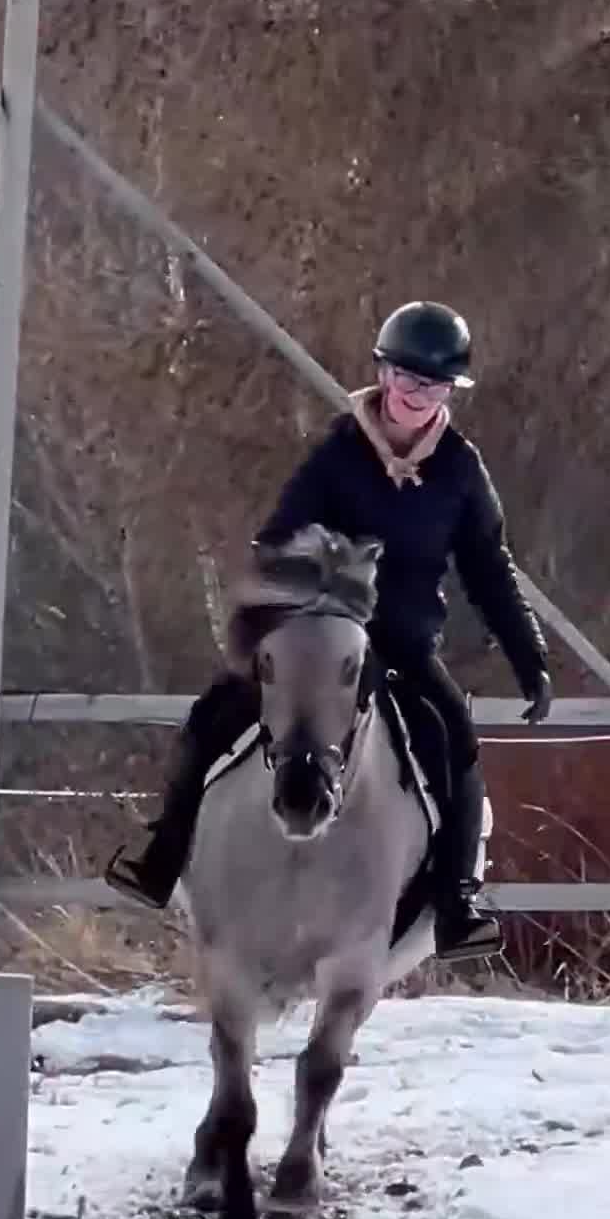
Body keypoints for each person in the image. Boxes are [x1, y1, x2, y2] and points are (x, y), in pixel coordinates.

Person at [108, 298, 553, 957]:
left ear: (449, 392)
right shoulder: (339, 454)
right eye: (405, 378)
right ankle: (162, 852)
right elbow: (278, 537)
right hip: (323, 632)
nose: (415, 396)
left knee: (453, 736)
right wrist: (310, 593)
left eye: (432, 385)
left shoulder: (460, 469)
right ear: (382, 374)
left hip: (402, 641)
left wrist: (529, 657)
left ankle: (457, 899)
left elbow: (490, 567)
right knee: (214, 712)